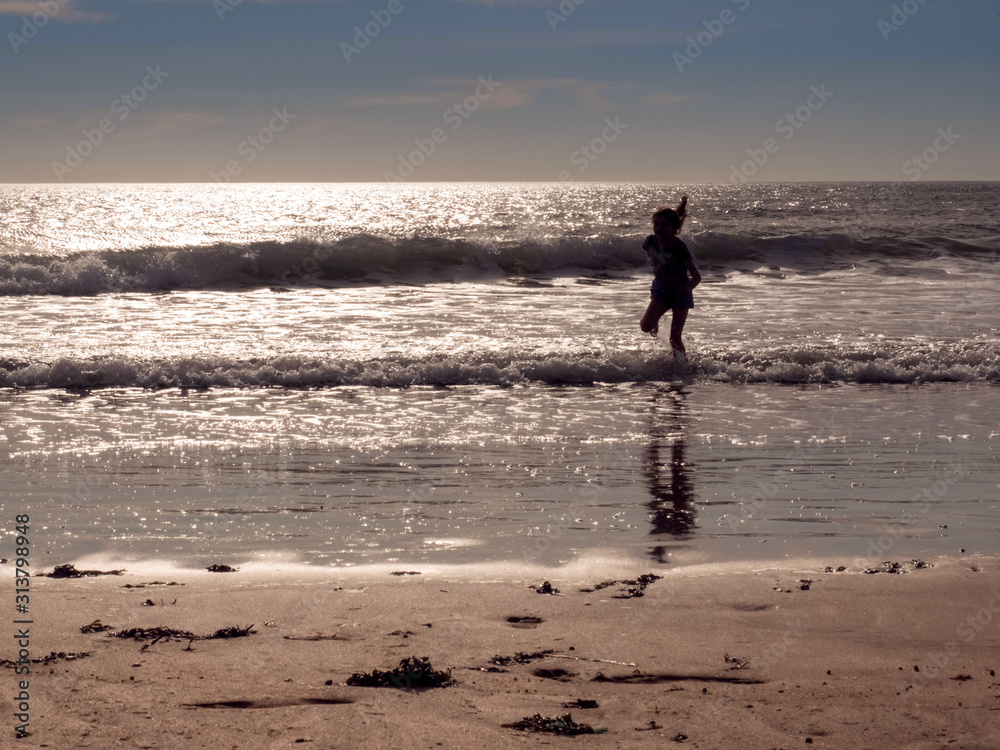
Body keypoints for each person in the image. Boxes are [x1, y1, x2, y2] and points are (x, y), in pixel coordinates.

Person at [639, 196, 701, 361]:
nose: (659, 228)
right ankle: (657, 319)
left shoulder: (679, 247)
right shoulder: (650, 242)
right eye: (656, 224)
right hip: (661, 290)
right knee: (646, 327)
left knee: (675, 338)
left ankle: (682, 368)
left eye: (664, 225)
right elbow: (650, 254)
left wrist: (687, 289)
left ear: (674, 228)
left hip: (681, 294)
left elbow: (696, 277)